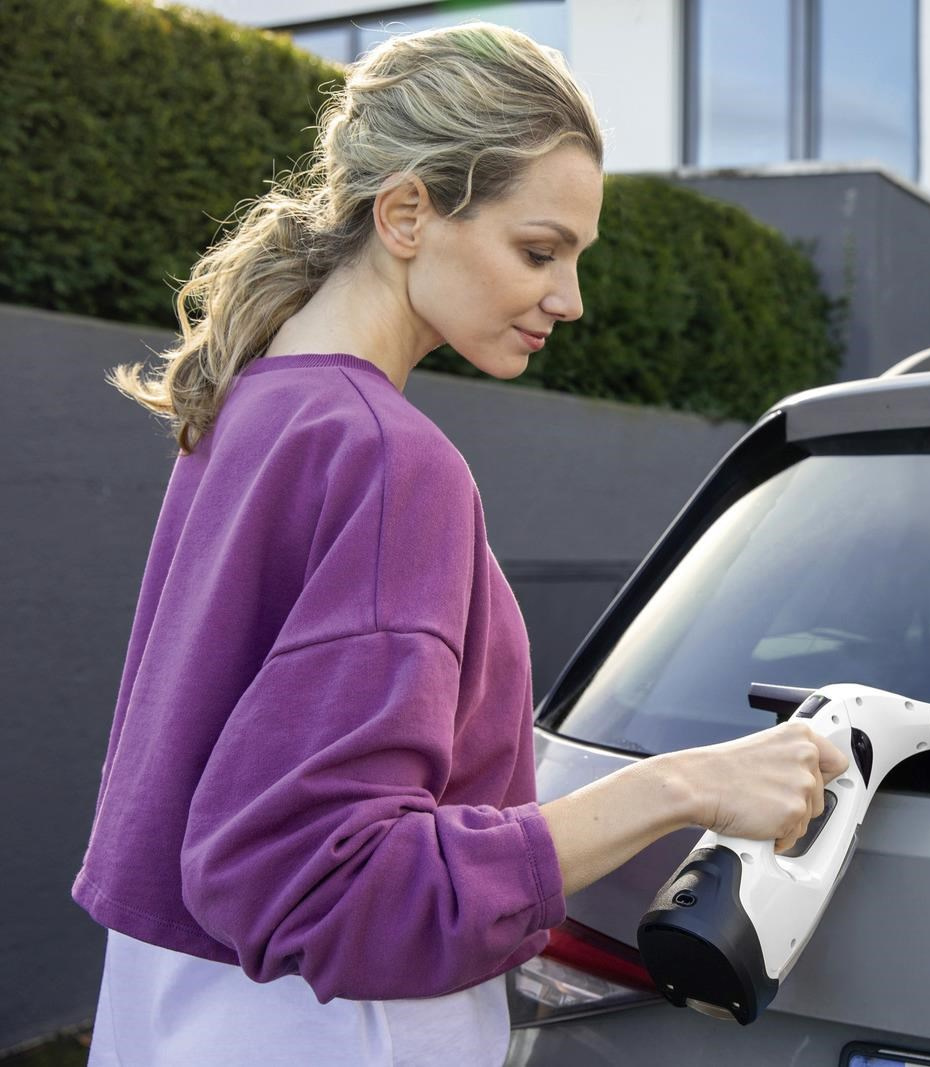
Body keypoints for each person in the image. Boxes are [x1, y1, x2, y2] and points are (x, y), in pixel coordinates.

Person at [73, 22, 847, 1067]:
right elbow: (337, 880)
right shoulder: (389, 458)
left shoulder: (246, 409)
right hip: (331, 1027)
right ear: (406, 214)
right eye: (539, 251)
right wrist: (682, 785)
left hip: (169, 1007)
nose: (570, 299)